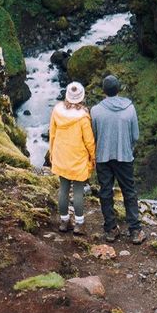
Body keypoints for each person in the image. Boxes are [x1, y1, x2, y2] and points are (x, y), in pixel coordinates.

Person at [91, 73, 143, 242]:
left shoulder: (96, 110)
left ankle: (111, 228)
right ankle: (135, 230)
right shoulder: (130, 108)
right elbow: (135, 135)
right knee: (129, 191)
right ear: (118, 89)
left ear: (103, 90)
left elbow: (94, 135)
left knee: (105, 191)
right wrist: (127, 147)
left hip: (103, 157)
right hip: (124, 156)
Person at [48, 80, 96, 233]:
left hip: (61, 155)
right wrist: (93, 157)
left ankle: (63, 221)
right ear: (81, 97)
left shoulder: (57, 110)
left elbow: (52, 134)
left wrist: (52, 152)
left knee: (63, 188)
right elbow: (89, 140)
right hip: (78, 158)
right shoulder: (83, 117)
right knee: (78, 190)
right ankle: (79, 224)